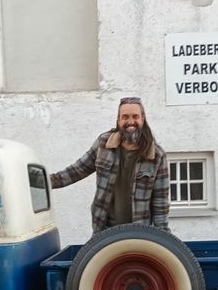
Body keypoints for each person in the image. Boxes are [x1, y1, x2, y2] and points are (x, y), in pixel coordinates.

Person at [49, 97, 170, 234]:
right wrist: (43, 182)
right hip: (104, 230)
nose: (131, 121)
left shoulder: (157, 156)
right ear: (118, 120)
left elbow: (161, 204)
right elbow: (77, 171)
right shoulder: (103, 144)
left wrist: (165, 240)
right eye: (125, 117)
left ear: (143, 119)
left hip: (139, 233)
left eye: (135, 116)